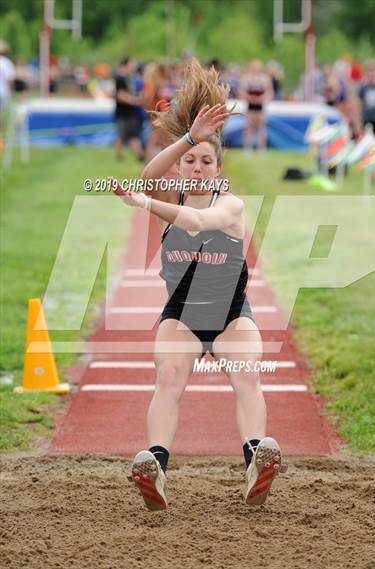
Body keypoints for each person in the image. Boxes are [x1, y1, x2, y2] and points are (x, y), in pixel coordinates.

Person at [111, 58, 286, 511]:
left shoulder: (230, 205)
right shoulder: (167, 188)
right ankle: (156, 467)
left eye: (207, 160)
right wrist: (188, 138)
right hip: (182, 318)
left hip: (231, 316)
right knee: (168, 377)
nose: (197, 166)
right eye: (190, 159)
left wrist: (147, 205)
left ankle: (256, 463)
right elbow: (150, 177)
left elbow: (197, 219)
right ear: (181, 163)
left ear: (218, 168)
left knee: (247, 376)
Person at [114, 56, 145, 161]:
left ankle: (139, 155)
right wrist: (134, 101)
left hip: (130, 112)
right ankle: (120, 155)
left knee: (132, 135)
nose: (134, 66)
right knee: (123, 135)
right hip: (123, 112)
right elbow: (120, 95)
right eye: (132, 64)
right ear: (126, 65)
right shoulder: (119, 78)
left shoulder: (128, 78)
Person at [239, 59, 273, 152]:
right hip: (250, 105)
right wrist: (250, 98)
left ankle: (262, 148)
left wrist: (262, 98)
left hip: (260, 106)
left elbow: (270, 92)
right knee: (248, 127)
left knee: (261, 127)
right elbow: (241, 91)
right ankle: (247, 148)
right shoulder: (246, 78)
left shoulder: (265, 78)